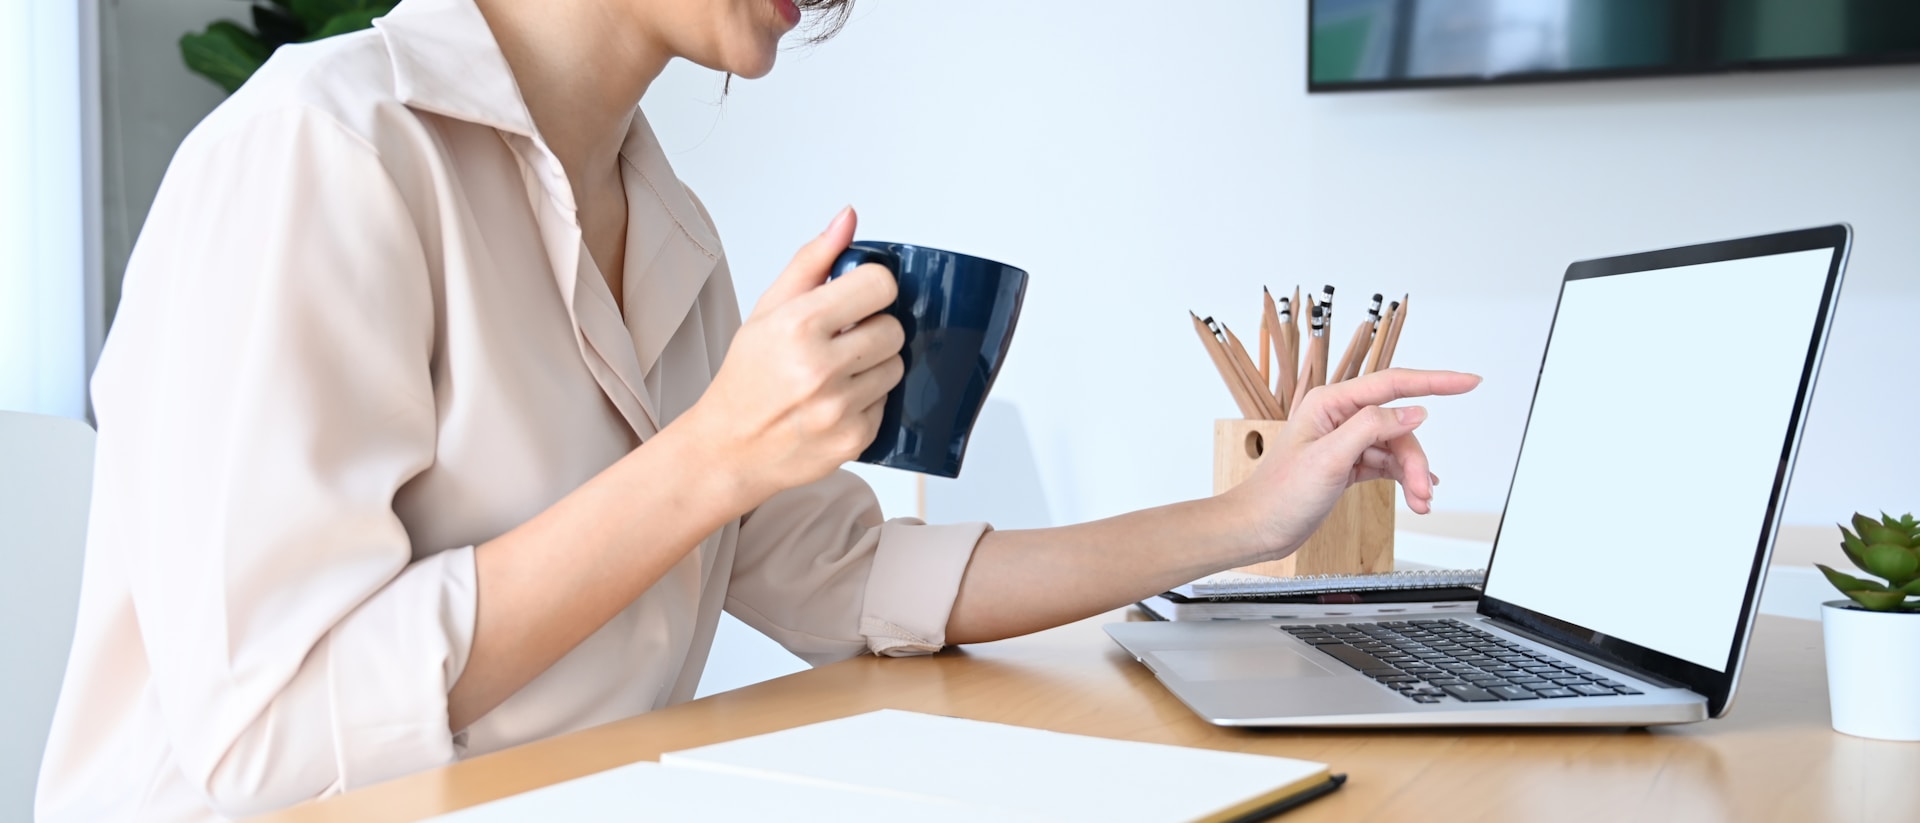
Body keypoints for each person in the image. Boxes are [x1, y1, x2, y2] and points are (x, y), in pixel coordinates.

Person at [35, 0, 1478, 820]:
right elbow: (273, 738)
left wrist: (1247, 512)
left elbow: (855, 579)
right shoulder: (321, 153)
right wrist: (710, 457)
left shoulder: (668, 225)